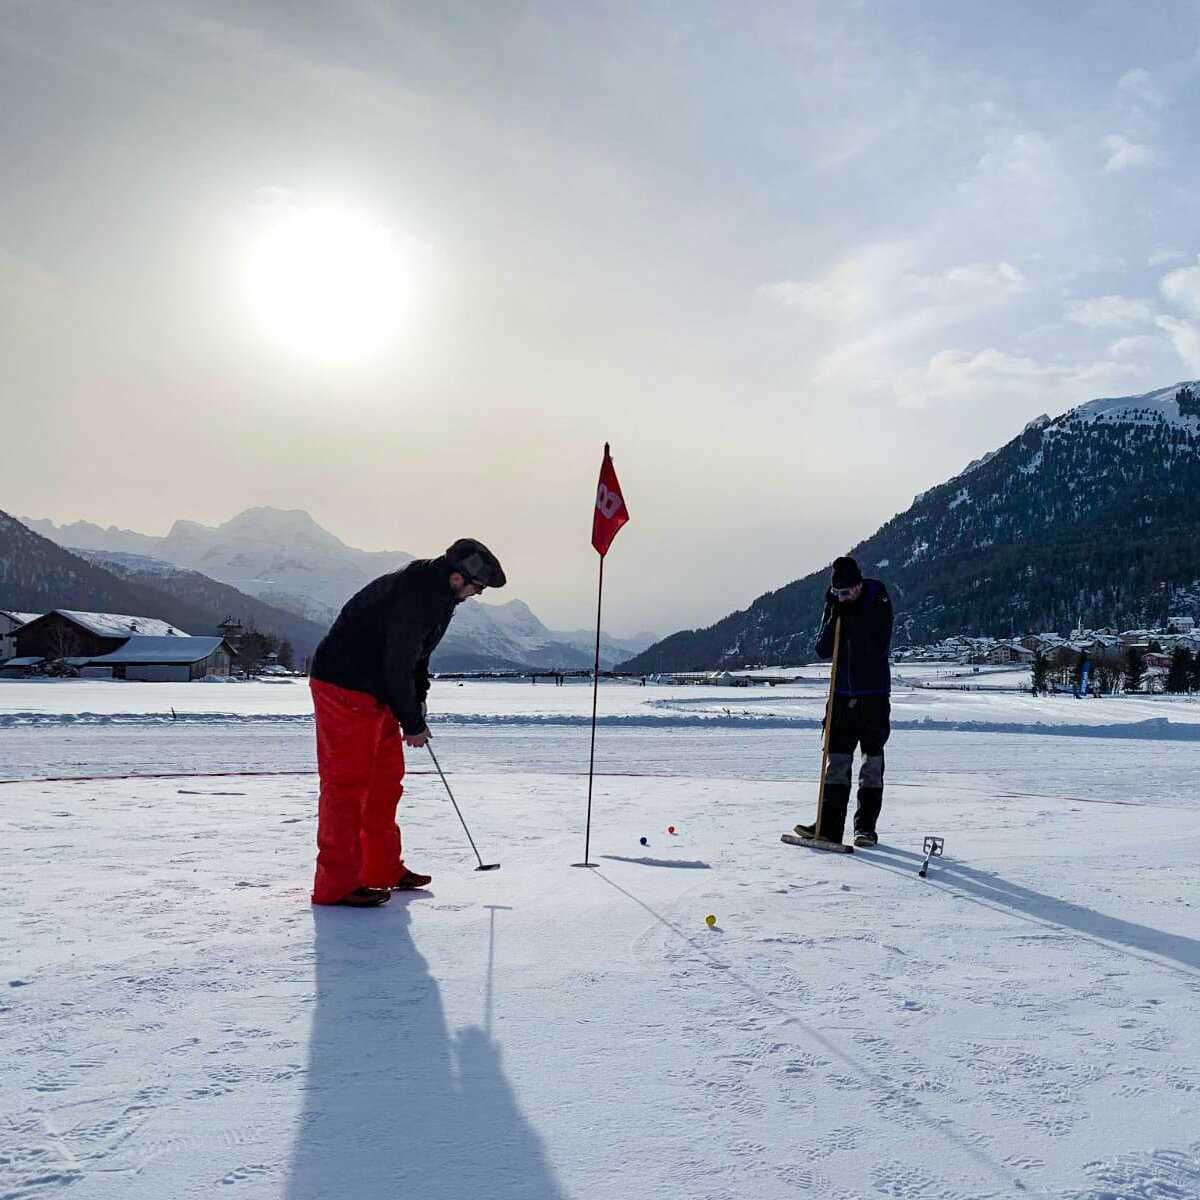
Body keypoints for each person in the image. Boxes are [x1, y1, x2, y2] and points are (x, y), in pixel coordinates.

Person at [307, 538, 507, 906]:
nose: (476, 595)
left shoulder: (440, 594)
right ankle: (335, 885)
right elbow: (397, 661)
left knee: (385, 782)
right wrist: (412, 723)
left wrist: (417, 705)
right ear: (459, 578)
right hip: (344, 685)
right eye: (478, 588)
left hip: (377, 689)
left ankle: (380, 869)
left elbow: (417, 658)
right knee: (347, 786)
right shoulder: (420, 593)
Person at [797, 555, 892, 847]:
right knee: (836, 762)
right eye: (838, 592)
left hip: (873, 696)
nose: (843, 597)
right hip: (840, 697)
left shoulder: (878, 600)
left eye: (847, 592)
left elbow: (878, 647)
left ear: (859, 585)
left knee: (870, 764)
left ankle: (865, 828)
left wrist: (853, 621)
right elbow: (822, 649)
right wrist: (834, 616)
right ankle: (828, 826)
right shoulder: (834, 603)